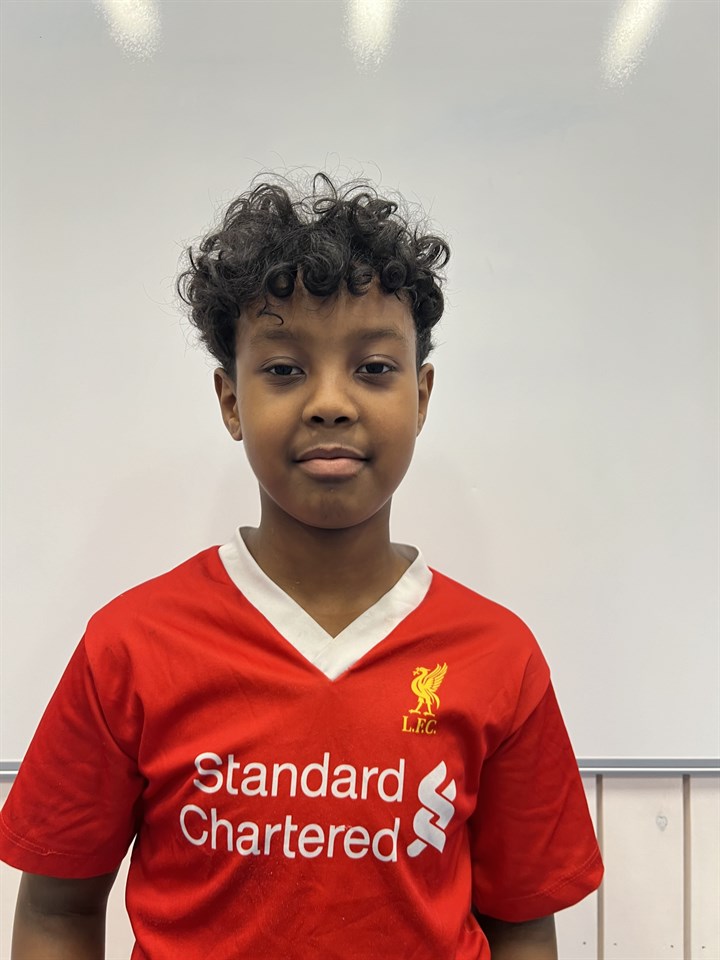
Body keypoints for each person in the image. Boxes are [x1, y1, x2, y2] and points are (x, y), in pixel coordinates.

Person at [0, 171, 603, 960]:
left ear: (422, 396)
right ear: (231, 400)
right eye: (284, 370)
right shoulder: (130, 647)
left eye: (374, 368)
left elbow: (522, 926)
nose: (330, 402)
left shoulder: (499, 658)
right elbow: (56, 913)